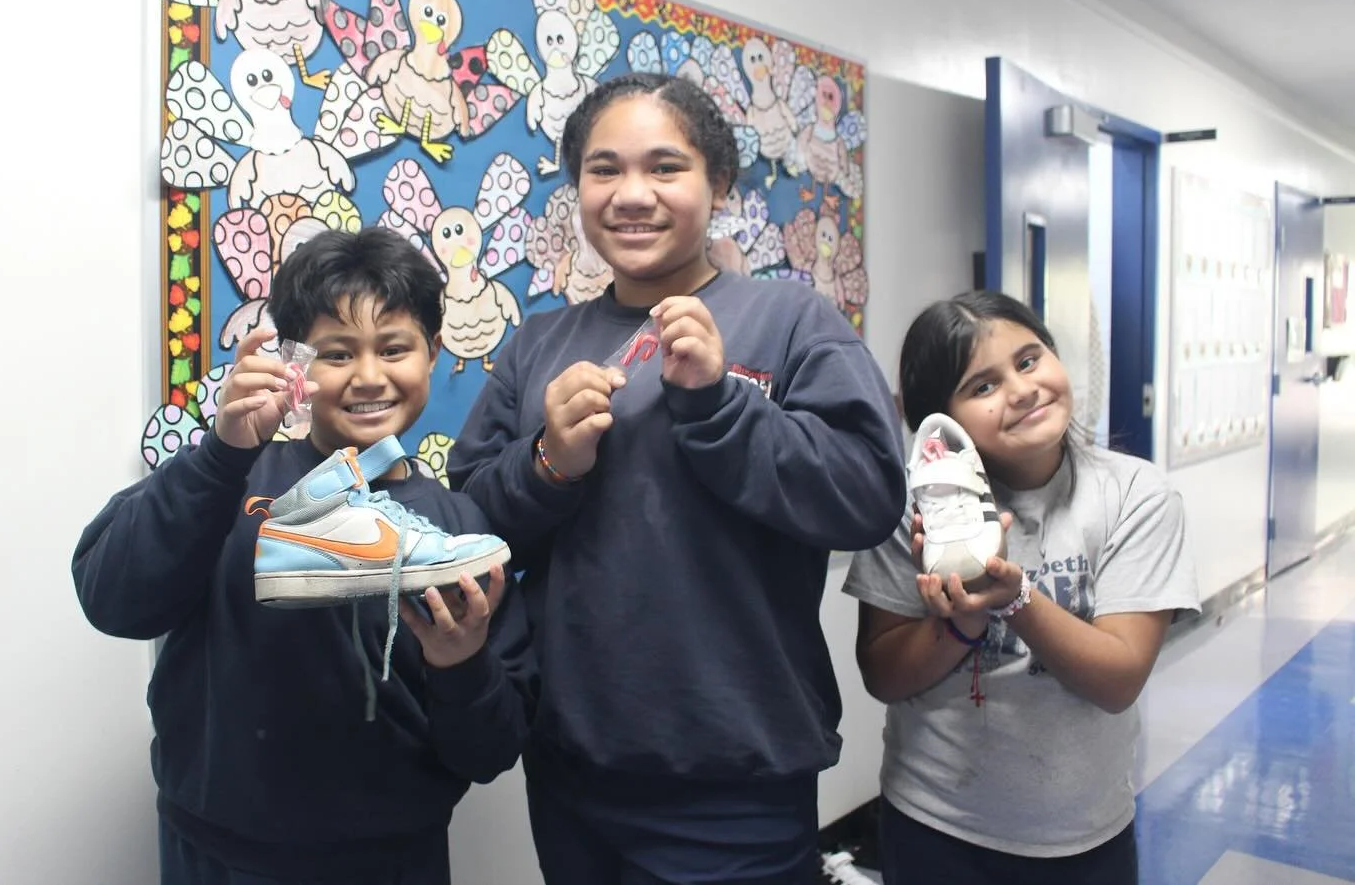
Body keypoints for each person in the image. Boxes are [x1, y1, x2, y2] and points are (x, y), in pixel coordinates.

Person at [447, 72, 907, 885]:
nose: (632, 194)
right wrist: (549, 461)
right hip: (572, 767)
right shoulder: (540, 344)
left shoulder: (793, 321)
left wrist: (723, 406)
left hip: (737, 781)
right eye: (603, 168)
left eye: (665, 167)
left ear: (718, 183)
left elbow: (869, 494)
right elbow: (467, 520)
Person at [72, 227, 535, 885]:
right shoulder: (232, 481)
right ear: (296, 364)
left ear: (433, 353)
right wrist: (222, 454)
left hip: (394, 860)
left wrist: (461, 665)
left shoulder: (459, 528)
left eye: (395, 348)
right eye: (337, 353)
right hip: (218, 853)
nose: (369, 376)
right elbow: (110, 597)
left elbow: (492, 749)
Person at [845, 290, 1201, 885]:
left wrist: (1012, 599)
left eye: (1030, 360)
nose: (1020, 389)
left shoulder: (1136, 497)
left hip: (1084, 837)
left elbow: (1118, 681)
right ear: (942, 418)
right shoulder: (915, 511)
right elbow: (881, 674)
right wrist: (962, 623)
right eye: (982, 386)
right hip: (935, 826)